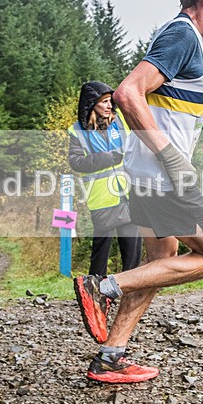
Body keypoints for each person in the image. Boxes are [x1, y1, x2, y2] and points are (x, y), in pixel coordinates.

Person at [73, 0, 203, 384]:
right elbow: (128, 93)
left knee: (163, 259)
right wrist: (171, 156)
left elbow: (168, 102)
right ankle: (100, 287)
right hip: (164, 175)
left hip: (145, 174)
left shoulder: (183, 39)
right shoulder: (182, 36)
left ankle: (111, 355)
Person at [68, 81, 142, 278]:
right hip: (102, 199)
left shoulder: (120, 123)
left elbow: (134, 148)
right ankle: (95, 292)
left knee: (132, 251)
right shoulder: (77, 131)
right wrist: (109, 158)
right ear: (92, 104)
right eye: (104, 102)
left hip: (128, 195)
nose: (110, 106)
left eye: (111, 102)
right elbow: (76, 162)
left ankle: (131, 291)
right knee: (100, 254)